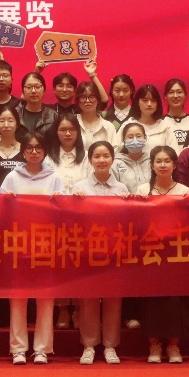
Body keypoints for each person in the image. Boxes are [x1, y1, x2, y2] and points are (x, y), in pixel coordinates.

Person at [0, 130, 66, 364]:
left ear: (45, 151)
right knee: (18, 298)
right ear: (23, 151)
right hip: (19, 244)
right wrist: (5, 201)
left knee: (45, 298)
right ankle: (18, 348)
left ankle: (42, 349)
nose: (34, 152)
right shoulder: (12, 177)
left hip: (46, 244)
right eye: (29, 148)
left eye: (38, 148)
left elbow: (64, 211)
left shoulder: (54, 177)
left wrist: (60, 201)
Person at [72, 140, 128, 364]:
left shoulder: (121, 189)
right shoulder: (80, 188)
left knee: (113, 299)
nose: (102, 160)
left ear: (112, 159)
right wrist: (75, 203)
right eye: (97, 156)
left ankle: (110, 346)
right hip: (88, 250)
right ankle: (89, 345)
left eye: (106, 156)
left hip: (114, 250)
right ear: (90, 160)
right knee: (88, 299)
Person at [134, 145, 188, 363]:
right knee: (152, 301)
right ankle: (154, 345)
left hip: (177, 252)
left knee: (176, 300)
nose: (163, 165)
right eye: (158, 161)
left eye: (167, 161)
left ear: (174, 165)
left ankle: (174, 346)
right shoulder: (142, 190)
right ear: (152, 165)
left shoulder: (184, 190)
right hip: (151, 252)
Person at [47, 113, 90, 193]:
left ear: (78, 132)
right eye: (63, 130)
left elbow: (92, 187)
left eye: (72, 129)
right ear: (56, 132)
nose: (68, 134)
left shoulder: (88, 158)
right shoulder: (47, 159)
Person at [124, 83, 168, 151]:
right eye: (145, 100)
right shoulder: (128, 125)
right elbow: (117, 151)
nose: (149, 104)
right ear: (137, 102)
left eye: (153, 100)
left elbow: (174, 154)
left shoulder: (165, 127)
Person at [111, 120, 152, 191]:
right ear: (124, 140)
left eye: (138, 136)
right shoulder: (116, 163)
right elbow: (112, 188)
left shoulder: (151, 161)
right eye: (130, 137)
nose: (135, 140)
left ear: (145, 138)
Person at [76, 81, 117, 149]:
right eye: (83, 97)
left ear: (98, 100)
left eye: (91, 97)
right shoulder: (71, 123)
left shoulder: (108, 126)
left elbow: (114, 151)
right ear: (78, 101)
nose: (87, 101)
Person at [18, 71, 58, 137]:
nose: (33, 91)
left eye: (37, 87)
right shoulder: (15, 114)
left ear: (44, 91)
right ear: (23, 91)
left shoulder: (53, 116)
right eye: (29, 87)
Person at [161, 78, 189, 154]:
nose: (175, 96)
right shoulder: (159, 122)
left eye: (179, 92)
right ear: (165, 96)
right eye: (171, 92)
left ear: (185, 95)